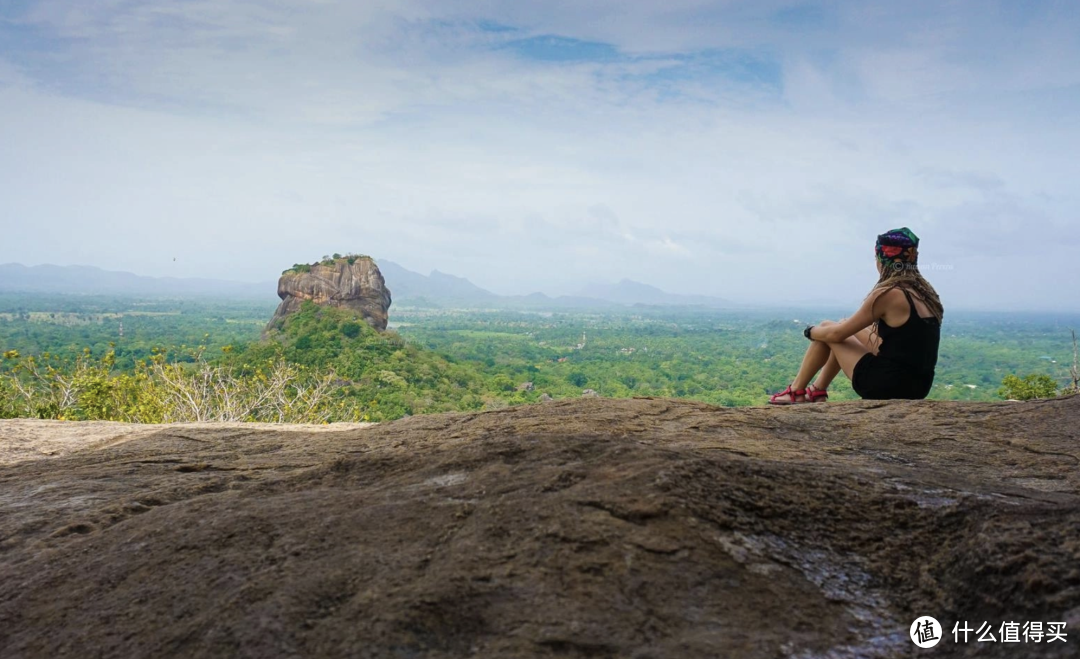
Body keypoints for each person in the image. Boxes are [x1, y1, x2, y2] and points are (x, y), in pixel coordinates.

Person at [768, 227, 943, 404]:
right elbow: (900, 347)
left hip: (888, 385)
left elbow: (836, 335)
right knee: (836, 325)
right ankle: (816, 391)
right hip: (919, 386)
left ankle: (796, 392)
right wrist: (838, 327)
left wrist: (811, 331)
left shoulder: (889, 294)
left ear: (882, 260)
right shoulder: (926, 294)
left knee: (829, 330)